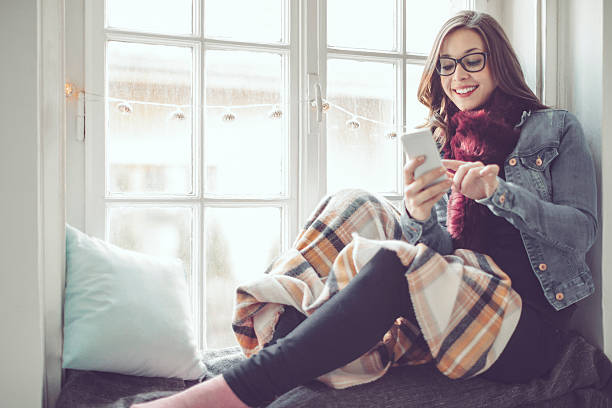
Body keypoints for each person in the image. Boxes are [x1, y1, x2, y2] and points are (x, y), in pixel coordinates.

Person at [133, 10, 597, 408]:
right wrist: (417, 215)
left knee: (394, 264)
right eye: (447, 65)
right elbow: (439, 256)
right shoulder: (440, 142)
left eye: (473, 60)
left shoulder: (552, 129)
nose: (458, 76)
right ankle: (283, 334)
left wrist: (499, 195)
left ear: (499, 63)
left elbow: (581, 233)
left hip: (524, 327)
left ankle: (243, 387)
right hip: (457, 304)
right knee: (355, 201)